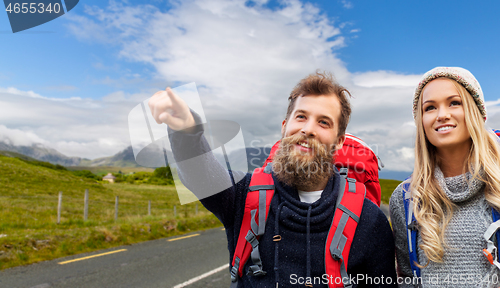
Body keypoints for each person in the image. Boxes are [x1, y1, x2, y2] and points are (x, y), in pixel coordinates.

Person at [150, 71, 397, 287]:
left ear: (339, 140)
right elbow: (201, 176)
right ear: (284, 126)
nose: (308, 129)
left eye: (323, 122)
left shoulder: (369, 220)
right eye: (301, 116)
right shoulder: (244, 196)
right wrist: (186, 131)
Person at [390, 67, 500, 288]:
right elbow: (408, 281)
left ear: (476, 112)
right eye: (430, 108)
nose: (442, 115)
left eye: (454, 103)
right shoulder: (405, 199)